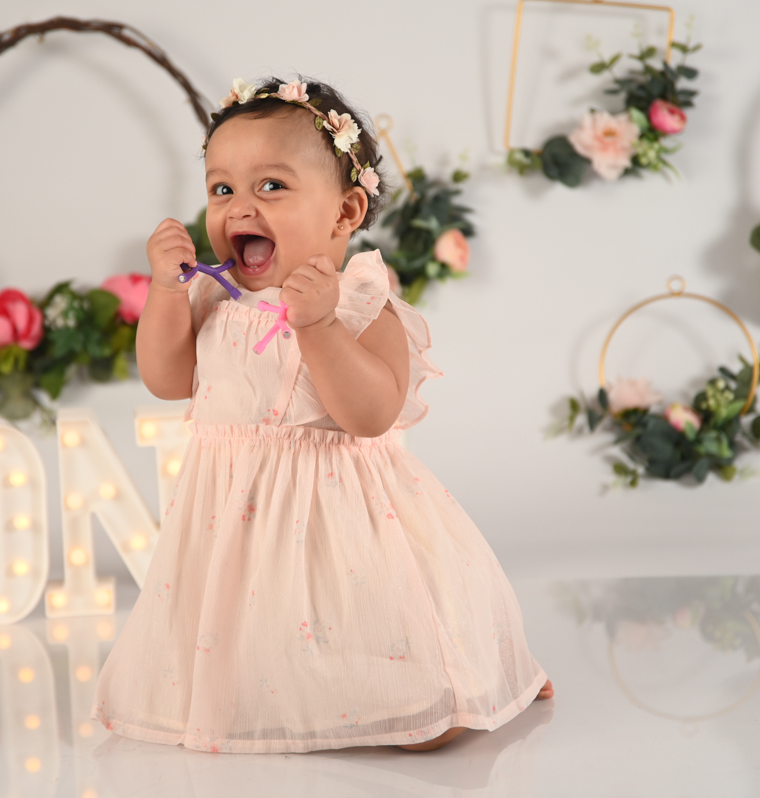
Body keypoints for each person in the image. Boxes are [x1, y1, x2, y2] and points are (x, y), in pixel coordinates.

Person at [93, 77, 550, 754]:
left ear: (344, 213)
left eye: (270, 186)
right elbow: (165, 379)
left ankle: (456, 684)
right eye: (222, 189)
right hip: (233, 515)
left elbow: (370, 414)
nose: (238, 206)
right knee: (259, 631)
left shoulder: (363, 305)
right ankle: (273, 694)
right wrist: (165, 291)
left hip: (346, 521)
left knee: (373, 638)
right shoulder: (215, 301)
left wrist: (319, 327)